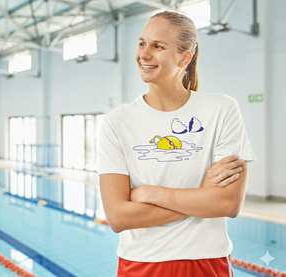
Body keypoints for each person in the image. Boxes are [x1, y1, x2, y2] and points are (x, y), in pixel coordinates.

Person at [97, 11, 255, 277]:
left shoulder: (221, 109)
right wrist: (201, 197)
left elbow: (227, 203)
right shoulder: (117, 122)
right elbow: (119, 217)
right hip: (141, 263)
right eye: (142, 43)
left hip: (207, 260)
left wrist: (152, 193)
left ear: (185, 57)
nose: (144, 54)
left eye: (158, 46)